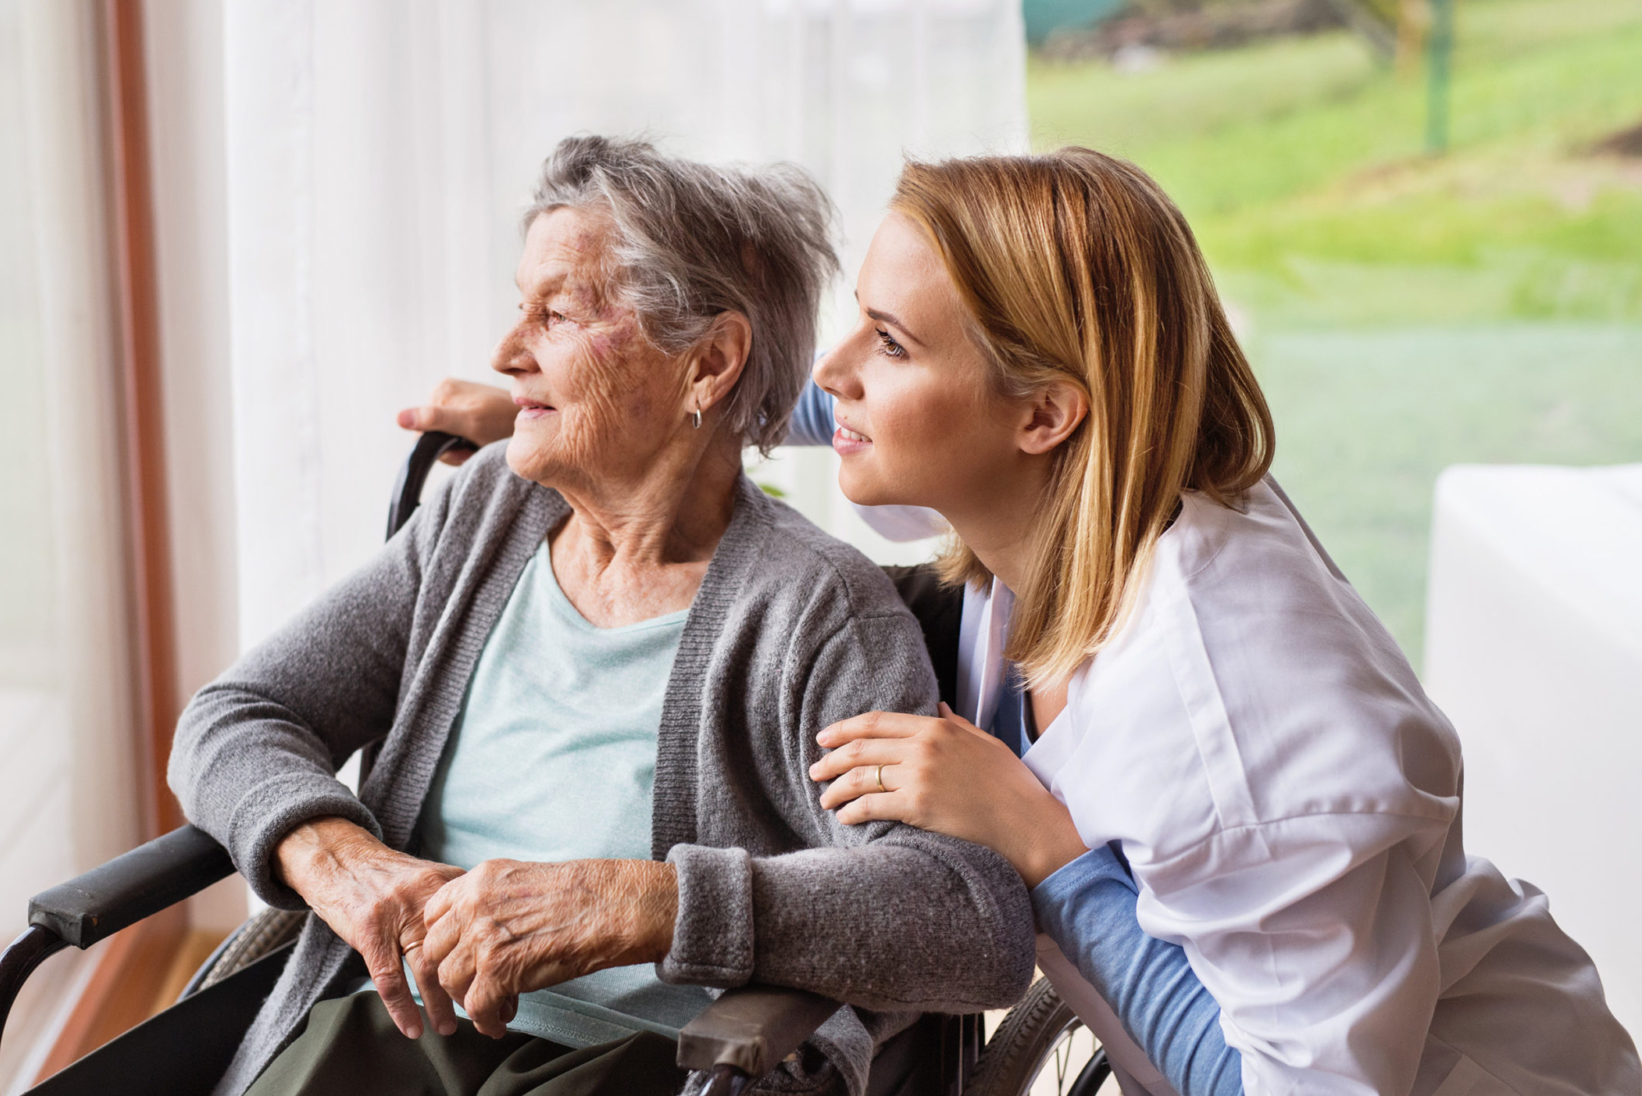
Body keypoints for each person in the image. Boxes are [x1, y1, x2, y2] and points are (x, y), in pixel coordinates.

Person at [402, 150, 1641, 1096]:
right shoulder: (1075, 490)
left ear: (1044, 413)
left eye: (886, 341)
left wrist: (1037, 847)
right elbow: (857, 406)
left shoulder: (1237, 700)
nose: (834, 372)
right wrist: (611, 411)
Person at [171, 136, 1036, 1096]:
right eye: (519, 307)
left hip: (647, 1067)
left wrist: (643, 901)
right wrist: (344, 863)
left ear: (708, 363)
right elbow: (235, 714)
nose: (507, 354)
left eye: (559, 313)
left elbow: (969, 916)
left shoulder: (812, 611)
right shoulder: (485, 513)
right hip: (390, 1042)